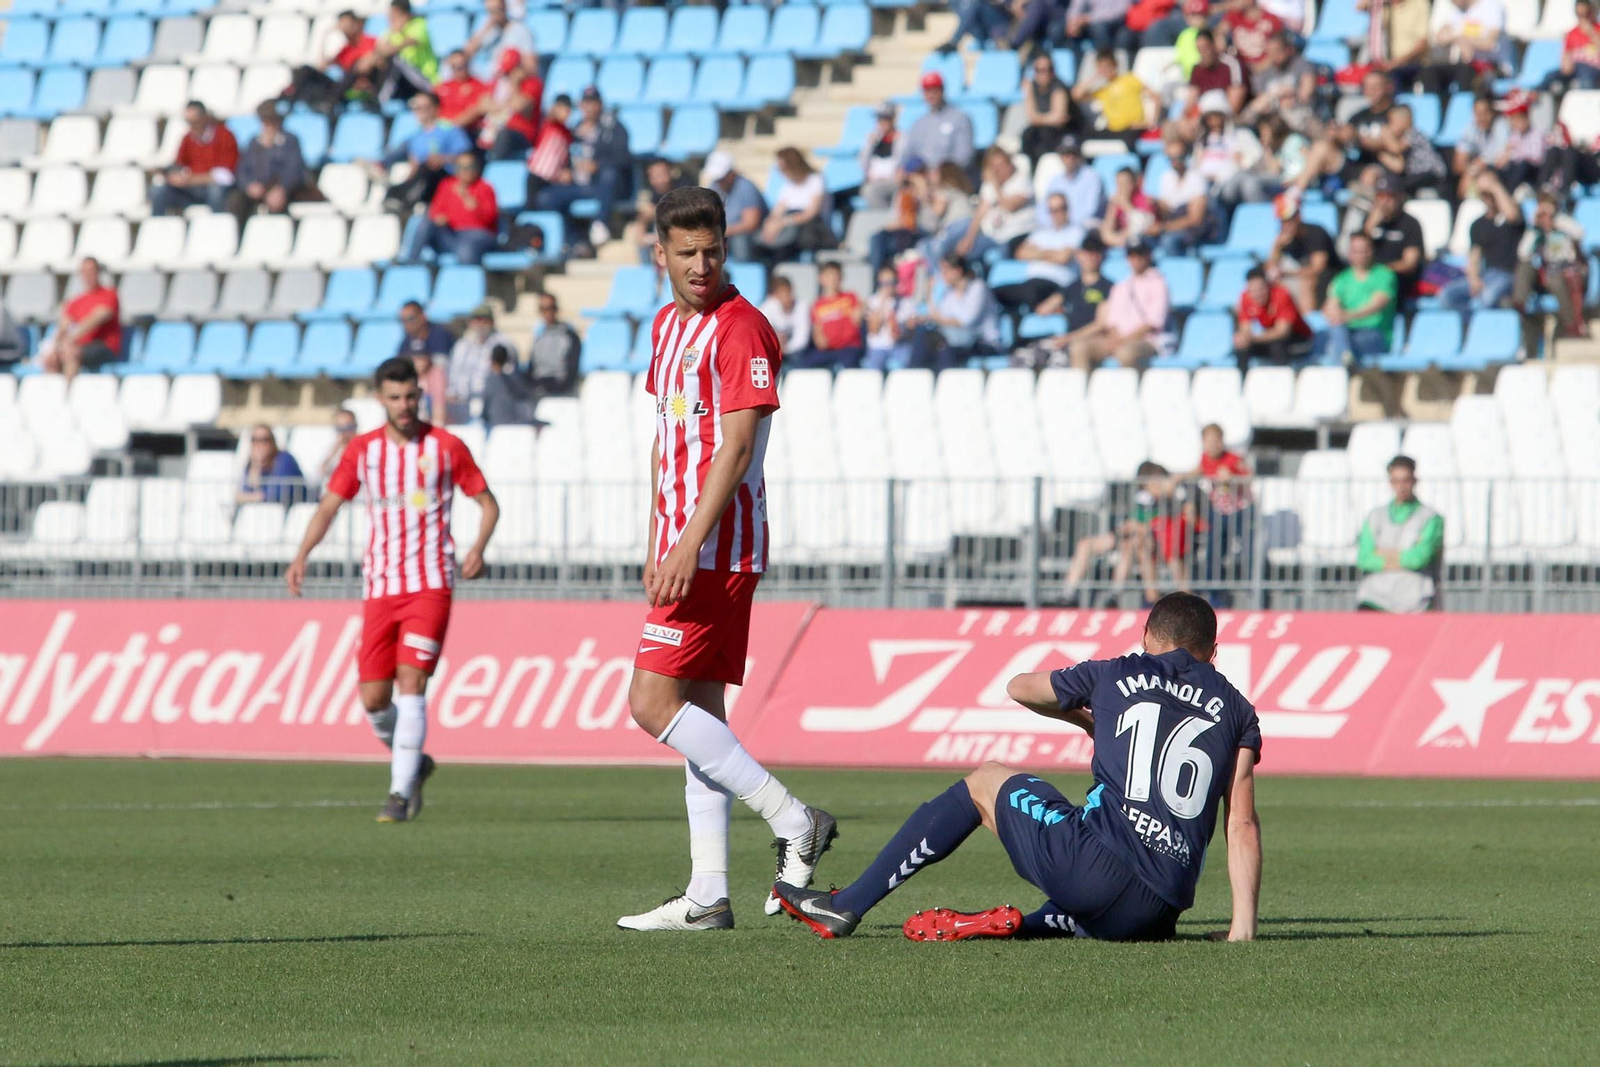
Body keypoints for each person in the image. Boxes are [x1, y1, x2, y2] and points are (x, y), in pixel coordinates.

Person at [774, 592, 1261, 946]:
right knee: (1096, 886)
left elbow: (1019, 687)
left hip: (1093, 870)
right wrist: (1242, 929)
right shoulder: (1238, 710)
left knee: (986, 780)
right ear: (1213, 653)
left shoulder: (1117, 672)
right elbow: (1240, 823)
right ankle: (1034, 923)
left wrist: (1086, 720)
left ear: (1147, 637)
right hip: (1157, 914)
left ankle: (846, 905)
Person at [617, 186, 836, 933]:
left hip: (718, 548)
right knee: (699, 710)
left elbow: (736, 447)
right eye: (686, 252)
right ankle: (709, 890)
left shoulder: (743, 329)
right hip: (684, 545)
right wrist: (657, 532)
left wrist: (685, 542)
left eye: (712, 250)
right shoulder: (666, 327)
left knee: (651, 703)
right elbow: (666, 441)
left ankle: (794, 815)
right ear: (661, 256)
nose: (701, 264)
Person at [286, 356, 500, 823]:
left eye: (411, 396)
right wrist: (302, 554)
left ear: (419, 396)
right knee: (373, 700)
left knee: (411, 683)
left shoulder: (446, 446)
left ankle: (399, 794)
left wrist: (478, 547)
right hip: (380, 586)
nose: (404, 406)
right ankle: (415, 762)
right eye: (395, 398)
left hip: (430, 584)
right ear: (380, 399)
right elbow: (328, 507)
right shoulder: (363, 450)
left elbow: (487, 503)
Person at [1060, 462, 1192, 606]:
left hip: (1147, 542)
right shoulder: (1141, 499)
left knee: (1129, 545)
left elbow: (1154, 527)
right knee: (1085, 544)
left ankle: (1115, 594)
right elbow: (1130, 523)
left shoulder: (1170, 502)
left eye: (1159, 480)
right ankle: (1068, 594)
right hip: (1127, 535)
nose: (1156, 484)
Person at [534, 86, 631, 249]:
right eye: (586, 103)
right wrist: (563, 172)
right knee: (546, 197)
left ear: (600, 104)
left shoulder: (613, 127)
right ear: (580, 105)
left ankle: (600, 224)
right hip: (577, 185)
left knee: (610, 174)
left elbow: (623, 157)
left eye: (594, 102)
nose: (590, 107)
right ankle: (573, 240)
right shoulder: (574, 130)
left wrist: (598, 165)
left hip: (600, 186)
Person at [1169, 424, 1253, 606]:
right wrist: (1180, 476)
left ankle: (1251, 588)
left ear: (1222, 441)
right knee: (1214, 551)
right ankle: (1215, 592)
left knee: (1247, 549)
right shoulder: (1205, 460)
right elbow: (1197, 471)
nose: (1212, 445)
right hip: (1218, 514)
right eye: (1208, 441)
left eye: (1215, 441)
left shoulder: (1233, 459)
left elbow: (1249, 476)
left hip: (1239, 512)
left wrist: (1232, 478)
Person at [1356, 455, 1443, 613]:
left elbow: (1419, 558)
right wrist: (1403, 557)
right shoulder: (1375, 516)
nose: (1401, 487)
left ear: (1415, 480)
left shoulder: (1430, 517)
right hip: (1375, 599)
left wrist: (1381, 552)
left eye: (1405, 480)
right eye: (1396, 481)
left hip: (1415, 602)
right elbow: (1364, 558)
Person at [1069, 237, 1169, 370]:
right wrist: (1114, 339)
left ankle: (1127, 390)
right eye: (1131, 255)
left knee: (1126, 353)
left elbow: (1152, 323)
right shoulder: (1121, 287)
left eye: (1139, 254)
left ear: (1147, 256)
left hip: (1147, 341)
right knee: (1080, 348)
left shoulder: (1159, 284)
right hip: (1119, 339)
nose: (1136, 259)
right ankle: (1081, 388)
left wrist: (1123, 340)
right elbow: (1112, 322)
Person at [370, 92, 473, 215]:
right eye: (416, 108)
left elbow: (467, 157)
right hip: (422, 178)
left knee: (427, 170)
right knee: (406, 180)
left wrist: (443, 159)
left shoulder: (450, 130)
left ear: (436, 108)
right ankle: (396, 199)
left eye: (425, 107)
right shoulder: (415, 137)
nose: (420, 111)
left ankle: (406, 201)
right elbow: (414, 164)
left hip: (445, 177)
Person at [932, 146, 1033, 264]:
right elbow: (980, 213)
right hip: (993, 235)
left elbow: (1009, 206)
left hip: (1014, 235)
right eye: (995, 168)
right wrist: (968, 239)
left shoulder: (1021, 181)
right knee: (958, 253)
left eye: (1002, 165)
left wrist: (996, 185)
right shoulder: (990, 185)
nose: (999, 170)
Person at [991, 193, 1086, 319]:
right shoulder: (1041, 232)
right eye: (1052, 210)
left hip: (1058, 283)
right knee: (992, 294)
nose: (1057, 213)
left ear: (1068, 209)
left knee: (1030, 293)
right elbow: (1021, 253)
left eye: (1061, 208)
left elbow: (1063, 258)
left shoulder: (1077, 231)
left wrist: (1038, 252)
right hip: (1032, 283)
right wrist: (1053, 253)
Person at [1439, 173, 1522, 314]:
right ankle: (1471, 325)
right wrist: (1474, 279)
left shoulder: (1512, 218)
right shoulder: (1477, 224)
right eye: (1484, 194)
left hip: (1509, 274)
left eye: (1489, 194)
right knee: (1446, 296)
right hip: (1486, 274)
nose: (1487, 198)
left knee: (1487, 297)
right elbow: (1474, 255)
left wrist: (1494, 186)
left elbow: (1512, 215)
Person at [1515, 194, 1590, 344]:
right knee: (1525, 267)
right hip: (1548, 273)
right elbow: (1523, 253)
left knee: (1555, 280)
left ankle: (1571, 324)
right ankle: (1519, 305)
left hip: (1567, 272)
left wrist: (1555, 220)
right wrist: (1535, 228)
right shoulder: (1538, 232)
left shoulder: (1564, 224)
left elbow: (1579, 232)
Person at [402, 152, 499, 266]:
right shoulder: (447, 185)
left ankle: (467, 281)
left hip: (476, 236)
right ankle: (411, 263)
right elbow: (435, 212)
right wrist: (439, 219)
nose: (466, 171)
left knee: (466, 249)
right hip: (451, 235)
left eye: (470, 167)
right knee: (425, 223)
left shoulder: (485, 188)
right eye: (462, 167)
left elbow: (488, 219)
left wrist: (468, 200)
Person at [1032, 233, 1114, 367]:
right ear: (1079, 255)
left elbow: (1100, 324)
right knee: (1024, 357)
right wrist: (1060, 311)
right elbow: (1043, 309)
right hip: (1067, 340)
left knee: (1064, 357)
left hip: (1088, 341)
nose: (1091, 257)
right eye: (1087, 252)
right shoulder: (1072, 287)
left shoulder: (1107, 287)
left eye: (1095, 252)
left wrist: (1070, 338)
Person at [907, 255, 1000, 371]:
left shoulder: (978, 288)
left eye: (945, 270)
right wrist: (930, 296)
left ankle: (942, 381)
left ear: (958, 271)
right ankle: (915, 376)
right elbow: (939, 316)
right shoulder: (949, 293)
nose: (942, 275)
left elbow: (965, 321)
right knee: (923, 336)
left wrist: (932, 303)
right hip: (956, 340)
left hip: (983, 342)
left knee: (943, 347)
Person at [1317, 232, 1398, 364]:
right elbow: (1330, 305)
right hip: (1346, 332)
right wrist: (1336, 315)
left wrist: (1347, 316)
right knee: (1327, 335)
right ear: (1350, 253)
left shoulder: (1384, 275)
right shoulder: (1342, 279)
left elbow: (1376, 305)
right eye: (1355, 251)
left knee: (1334, 346)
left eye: (1363, 250)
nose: (1360, 255)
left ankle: (1344, 358)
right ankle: (1345, 356)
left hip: (1375, 333)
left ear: (1371, 251)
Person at [37, 259, 120, 380]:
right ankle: (51, 394)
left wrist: (70, 339)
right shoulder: (75, 301)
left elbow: (96, 319)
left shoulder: (109, 294)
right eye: (85, 272)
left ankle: (68, 394)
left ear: (98, 272)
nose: (88, 275)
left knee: (71, 353)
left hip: (103, 347)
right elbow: (63, 327)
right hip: (79, 346)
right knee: (52, 359)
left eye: (92, 271)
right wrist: (54, 348)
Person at [150, 101, 237, 217]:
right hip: (191, 190)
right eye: (188, 122)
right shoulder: (187, 138)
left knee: (216, 191)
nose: (191, 126)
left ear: (204, 118)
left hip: (212, 190)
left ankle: (217, 228)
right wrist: (170, 174)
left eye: (194, 121)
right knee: (159, 190)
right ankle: (158, 228)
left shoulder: (224, 136)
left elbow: (226, 175)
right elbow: (180, 164)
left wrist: (191, 180)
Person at [227, 103, 308, 228]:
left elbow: (294, 169)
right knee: (236, 201)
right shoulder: (254, 142)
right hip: (258, 188)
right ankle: (239, 236)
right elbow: (242, 169)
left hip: (282, 189)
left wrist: (282, 188)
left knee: (277, 203)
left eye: (272, 120)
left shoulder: (290, 141)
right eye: (265, 121)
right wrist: (249, 185)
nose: (269, 125)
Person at [1345, 173, 1423, 299]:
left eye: (1390, 196)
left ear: (1399, 198)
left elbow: (1409, 263)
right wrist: (1370, 225)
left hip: (1396, 280)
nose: (1385, 202)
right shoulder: (1369, 221)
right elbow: (1357, 250)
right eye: (1381, 196)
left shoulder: (1410, 224)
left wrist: (1380, 272)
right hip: (1368, 278)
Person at [283, 9, 377, 112]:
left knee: (351, 71)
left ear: (357, 24)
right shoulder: (345, 50)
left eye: (348, 24)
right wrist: (325, 36)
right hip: (340, 88)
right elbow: (322, 66)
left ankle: (328, 103)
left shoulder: (370, 42)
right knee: (304, 71)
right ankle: (291, 103)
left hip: (357, 87)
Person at [1267, 190, 1339, 312]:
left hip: (1330, 276)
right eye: (1282, 221)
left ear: (1298, 216)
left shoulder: (1316, 233)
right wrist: (1276, 248)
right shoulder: (1284, 240)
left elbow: (1317, 269)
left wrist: (1287, 273)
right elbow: (1270, 271)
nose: (1286, 225)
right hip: (1300, 276)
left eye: (1289, 219)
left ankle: (1309, 324)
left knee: (1307, 283)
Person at [1420, 0, 1510, 97]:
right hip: (1465, 64)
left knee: (1465, 72)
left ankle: (1463, 107)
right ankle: (1434, 108)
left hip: (1491, 65)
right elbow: (1440, 37)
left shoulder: (1491, 7)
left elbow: (1490, 43)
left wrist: (1461, 39)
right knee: (1430, 72)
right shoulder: (1457, 11)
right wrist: (1460, 41)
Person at [757, 148, 833, 261]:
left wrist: (783, 222)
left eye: (782, 167)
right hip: (789, 225)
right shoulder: (788, 186)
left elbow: (811, 213)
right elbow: (778, 210)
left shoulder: (816, 180)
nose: (779, 171)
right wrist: (770, 224)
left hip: (810, 227)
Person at [358, 0, 438, 106]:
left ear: (404, 14)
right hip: (403, 81)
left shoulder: (419, 25)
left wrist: (378, 55)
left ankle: (380, 99)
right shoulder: (392, 31)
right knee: (366, 62)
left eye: (393, 14)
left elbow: (398, 47)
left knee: (394, 60)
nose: (390, 18)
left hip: (423, 78)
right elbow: (379, 49)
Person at [446, 304, 515, 423]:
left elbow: (508, 375)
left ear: (492, 322)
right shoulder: (462, 345)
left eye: (485, 319)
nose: (481, 323)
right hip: (461, 404)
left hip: (490, 406)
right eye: (477, 319)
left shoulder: (503, 343)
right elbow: (453, 373)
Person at [1234, 266, 1312, 370]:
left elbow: (1282, 331)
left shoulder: (1281, 294)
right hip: (1269, 337)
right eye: (1253, 291)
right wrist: (1243, 338)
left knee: (1277, 345)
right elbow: (1245, 328)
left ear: (1268, 285)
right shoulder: (1245, 297)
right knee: (1242, 347)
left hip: (1297, 339)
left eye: (1261, 289)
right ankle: (1242, 380)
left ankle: (1283, 379)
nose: (1258, 294)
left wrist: (1254, 338)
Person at [1149, 136, 1212, 257]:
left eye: (1179, 157)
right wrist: (1155, 204)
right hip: (1173, 225)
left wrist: (1162, 228)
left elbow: (1195, 219)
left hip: (1195, 231)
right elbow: (1166, 211)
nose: (1175, 161)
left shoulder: (1196, 178)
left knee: (1170, 241)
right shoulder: (1166, 178)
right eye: (1171, 158)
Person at [1073, 50, 1157, 139]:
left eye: (1107, 66)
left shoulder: (1129, 79)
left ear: (1115, 65)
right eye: (1101, 67)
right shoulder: (1103, 89)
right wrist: (1095, 77)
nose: (1105, 70)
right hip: (1113, 130)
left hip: (1133, 128)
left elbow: (1156, 97)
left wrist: (1151, 122)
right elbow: (1076, 96)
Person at [479, 49, 544, 162]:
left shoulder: (533, 83)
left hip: (520, 134)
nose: (506, 75)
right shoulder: (498, 81)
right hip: (494, 127)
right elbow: (483, 104)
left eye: (509, 71)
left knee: (504, 136)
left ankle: (495, 168)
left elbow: (520, 106)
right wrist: (506, 104)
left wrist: (514, 84)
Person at [703, 151, 768, 263]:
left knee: (740, 241)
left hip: (749, 236)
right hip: (725, 233)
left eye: (722, 178)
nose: (719, 182)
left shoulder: (746, 187)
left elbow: (751, 224)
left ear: (731, 173)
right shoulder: (715, 187)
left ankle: (745, 270)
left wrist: (723, 231)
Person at [904, 73, 975, 172]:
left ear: (942, 91)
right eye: (928, 91)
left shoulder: (959, 118)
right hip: (921, 177)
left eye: (935, 90)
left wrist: (941, 172)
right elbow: (908, 153)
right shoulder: (919, 123)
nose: (931, 94)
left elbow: (964, 157)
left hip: (949, 177)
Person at [1373, 104, 1449, 196]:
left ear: (1406, 120)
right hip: (1416, 174)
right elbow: (1399, 166)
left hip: (1430, 172)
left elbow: (1396, 149)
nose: (1390, 125)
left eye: (1392, 121)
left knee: (1402, 185)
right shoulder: (1403, 137)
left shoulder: (1412, 133)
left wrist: (1386, 135)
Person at [805, 262, 865, 370]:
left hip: (849, 347)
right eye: (828, 275)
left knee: (849, 364)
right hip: (827, 349)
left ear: (841, 277)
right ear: (821, 278)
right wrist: (821, 341)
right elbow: (817, 331)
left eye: (835, 275)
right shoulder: (817, 305)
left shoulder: (850, 297)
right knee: (805, 364)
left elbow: (858, 321)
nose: (832, 279)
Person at [628, 158, 686, 266]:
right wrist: (642, 233)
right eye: (653, 176)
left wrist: (657, 212)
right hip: (660, 237)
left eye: (661, 174)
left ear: (670, 173)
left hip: (682, 237)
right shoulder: (651, 196)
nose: (658, 180)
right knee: (641, 243)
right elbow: (642, 223)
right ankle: (648, 272)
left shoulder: (682, 193)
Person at [1041, 135, 1106, 229]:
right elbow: (1043, 210)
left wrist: (1064, 222)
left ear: (1080, 156)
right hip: (1058, 228)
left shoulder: (1092, 177)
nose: (1070, 158)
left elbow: (1090, 211)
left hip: (1084, 228)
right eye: (1066, 154)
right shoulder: (1055, 181)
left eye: (1074, 154)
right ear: (1060, 157)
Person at [1021, 55, 1073, 168]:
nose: (1046, 73)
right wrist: (1049, 118)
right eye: (1041, 70)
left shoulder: (1059, 87)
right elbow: (1031, 117)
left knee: (1046, 136)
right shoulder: (1031, 86)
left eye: (1050, 69)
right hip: (1042, 128)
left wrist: (1039, 118)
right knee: (1027, 134)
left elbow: (1060, 118)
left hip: (1064, 131)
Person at [463, 0, 534, 82]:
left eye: (498, 9)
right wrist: (487, 27)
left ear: (505, 8)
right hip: (485, 83)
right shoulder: (487, 31)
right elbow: (466, 54)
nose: (495, 14)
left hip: (508, 82)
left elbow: (531, 65)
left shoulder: (521, 31)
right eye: (491, 11)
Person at [524, 94, 576, 204]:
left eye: (568, 109)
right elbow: (550, 116)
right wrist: (556, 111)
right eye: (564, 108)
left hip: (552, 179)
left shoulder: (567, 133)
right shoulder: (549, 125)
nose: (567, 112)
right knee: (531, 206)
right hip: (537, 174)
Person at [237, 425, 307, 505]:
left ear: (273, 441)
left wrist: (253, 497)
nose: (260, 444)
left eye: (265, 439)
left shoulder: (285, 460)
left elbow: (280, 493)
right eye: (255, 440)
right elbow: (246, 490)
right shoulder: (252, 464)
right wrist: (255, 467)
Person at [1187, 30, 1248, 119]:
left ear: (1213, 46)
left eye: (1205, 48)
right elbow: (1191, 101)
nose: (1203, 53)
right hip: (1202, 116)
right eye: (1199, 50)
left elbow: (1234, 104)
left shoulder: (1231, 65)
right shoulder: (1197, 69)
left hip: (1228, 117)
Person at [528, 292, 581, 397]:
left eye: (551, 308)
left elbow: (571, 371)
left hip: (561, 393)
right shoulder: (538, 338)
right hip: (540, 391)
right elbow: (532, 369)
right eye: (543, 309)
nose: (547, 313)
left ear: (556, 309)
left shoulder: (569, 336)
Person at [434, 50, 492, 139]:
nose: (460, 69)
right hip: (441, 133)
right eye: (456, 67)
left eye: (463, 65)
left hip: (468, 133)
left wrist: (453, 125)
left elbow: (478, 109)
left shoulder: (479, 86)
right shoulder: (441, 88)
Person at [864, 266, 912, 370]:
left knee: (903, 367)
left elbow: (903, 334)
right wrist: (882, 304)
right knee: (873, 371)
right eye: (884, 283)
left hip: (899, 346)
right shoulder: (872, 301)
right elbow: (874, 330)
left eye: (891, 282)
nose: (887, 287)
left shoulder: (906, 302)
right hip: (878, 347)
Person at [481, 342, 538, 428]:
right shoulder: (517, 377)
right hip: (517, 425)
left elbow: (485, 408)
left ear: (492, 360)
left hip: (497, 426)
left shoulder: (491, 380)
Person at [1548, 1, 1600, 93]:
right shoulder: (1571, 34)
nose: (1583, 18)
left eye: (1585, 14)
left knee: (1585, 77)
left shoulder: (1597, 30)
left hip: (1593, 69)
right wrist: (1566, 65)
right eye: (1580, 15)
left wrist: (1591, 33)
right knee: (1550, 77)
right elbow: (1565, 58)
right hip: (1575, 69)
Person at [859, 103, 905, 209]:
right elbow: (863, 164)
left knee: (870, 191)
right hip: (875, 181)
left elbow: (901, 163)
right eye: (880, 119)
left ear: (893, 119)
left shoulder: (901, 139)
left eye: (885, 119)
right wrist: (870, 145)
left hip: (893, 181)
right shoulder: (874, 139)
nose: (882, 123)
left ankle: (885, 218)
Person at [1098, 166, 1154, 249]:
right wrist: (1112, 208)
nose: (1122, 187)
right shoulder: (1116, 202)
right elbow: (1107, 232)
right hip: (1123, 241)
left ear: (1134, 183)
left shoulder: (1145, 200)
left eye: (1125, 183)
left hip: (1144, 242)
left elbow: (1143, 225)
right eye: (1119, 183)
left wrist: (1126, 205)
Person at [1219, 0, 1283, 72]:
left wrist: (1260, 67)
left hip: (1268, 69)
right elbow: (1219, 34)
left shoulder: (1272, 19)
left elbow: (1280, 50)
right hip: (1242, 69)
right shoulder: (1233, 16)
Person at [758, 276, 812, 359]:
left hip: (795, 353)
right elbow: (760, 333)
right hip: (772, 351)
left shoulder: (802, 307)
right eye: (781, 293)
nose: (786, 296)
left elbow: (802, 339)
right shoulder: (766, 308)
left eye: (788, 292)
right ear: (775, 295)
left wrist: (786, 349)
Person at [1065, 0, 1135, 53]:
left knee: (1099, 28)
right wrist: (1072, 22)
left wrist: (1089, 18)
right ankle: (1078, 67)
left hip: (1117, 24)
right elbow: (1076, 7)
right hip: (1090, 23)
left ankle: (1106, 58)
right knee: (1071, 32)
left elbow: (1120, 12)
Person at [319, 406, 360, 483]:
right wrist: (334, 450)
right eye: (339, 428)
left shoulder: (364, 447)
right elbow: (321, 471)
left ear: (355, 426)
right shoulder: (331, 448)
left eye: (348, 427)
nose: (343, 432)